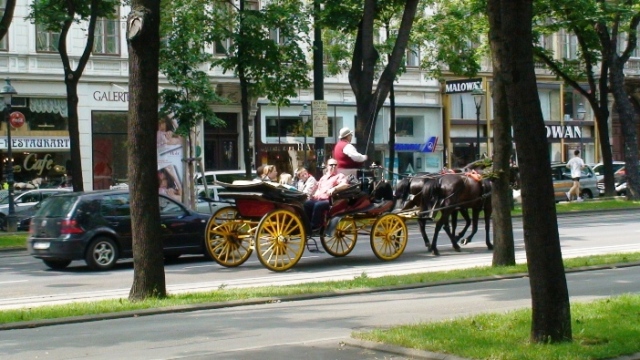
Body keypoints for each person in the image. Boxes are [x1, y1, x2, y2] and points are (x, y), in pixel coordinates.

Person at [303, 159, 349, 232]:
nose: (333, 166)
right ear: (327, 166)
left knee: (318, 205)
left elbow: (345, 185)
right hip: (319, 199)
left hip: (331, 201)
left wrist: (334, 188)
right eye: (331, 165)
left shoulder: (339, 176)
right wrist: (314, 195)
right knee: (307, 203)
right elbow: (318, 188)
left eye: (335, 165)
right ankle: (307, 225)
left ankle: (315, 226)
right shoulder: (323, 177)